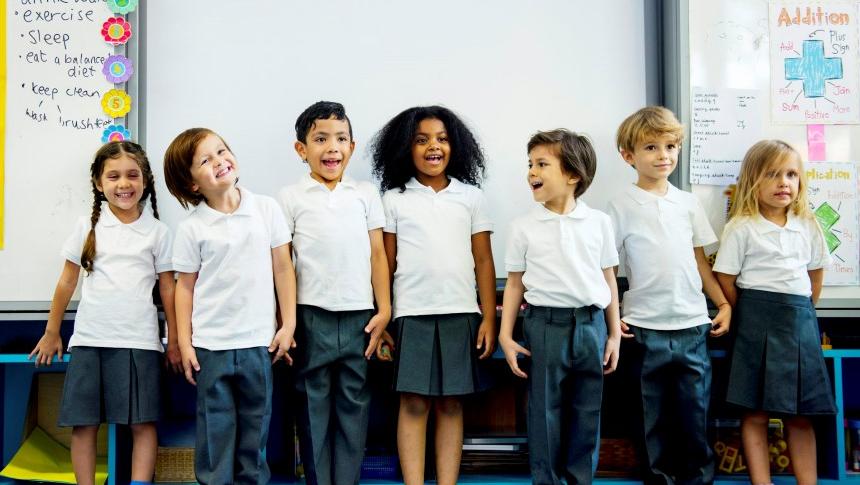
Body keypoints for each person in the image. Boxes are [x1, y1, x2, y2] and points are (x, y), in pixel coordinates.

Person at [30, 141, 177, 485]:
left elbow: (169, 289)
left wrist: (173, 339)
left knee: (143, 423)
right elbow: (67, 281)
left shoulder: (158, 232)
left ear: (145, 180)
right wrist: (52, 332)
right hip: (90, 340)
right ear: (98, 183)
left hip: (140, 342)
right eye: (113, 176)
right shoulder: (87, 227)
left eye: (132, 175)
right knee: (84, 423)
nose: (123, 184)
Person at [163, 127, 297, 485]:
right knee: (216, 427)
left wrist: (288, 325)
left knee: (256, 427)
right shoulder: (192, 228)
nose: (220, 161)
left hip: (258, 343)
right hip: (212, 346)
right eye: (205, 161)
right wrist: (186, 343)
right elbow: (184, 288)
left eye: (221, 151)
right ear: (192, 184)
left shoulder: (265, 208)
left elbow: (283, 268)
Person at [371, 105, 496, 485]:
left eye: (442, 139)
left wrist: (488, 318)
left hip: (460, 312)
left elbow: (484, 261)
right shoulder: (393, 198)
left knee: (452, 403)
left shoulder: (471, 198)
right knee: (412, 402)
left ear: (455, 146)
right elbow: (385, 263)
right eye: (421, 140)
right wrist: (384, 319)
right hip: (410, 314)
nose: (433, 147)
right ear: (404, 148)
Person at [607, 106, 731, 485]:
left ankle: (699, 479)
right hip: (643, 327)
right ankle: (658, 478)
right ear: (628, 156)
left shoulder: (688, 203)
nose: (664, 155)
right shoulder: (619, 205)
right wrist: (615, 317)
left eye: (671, 146)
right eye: (651, 147)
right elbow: (608, 269)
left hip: (693, 324)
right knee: (651, 415)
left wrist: (723, 303)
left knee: (695, 412)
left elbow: (700, 262)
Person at [277, 101, 391, 485]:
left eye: (340, 139)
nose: (332, 148)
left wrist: (384, 309)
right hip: (311, 316)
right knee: (312, 404)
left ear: (352, 147)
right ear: (301, 149)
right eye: (320, 139)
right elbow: (284, 264)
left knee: (354, 405)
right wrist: (287, 320)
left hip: (360, 316)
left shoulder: (365, 193)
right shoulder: (290, 198)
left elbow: (378, 254)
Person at [499, 128, 621, 485]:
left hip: (590, 325)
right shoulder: (523, 226)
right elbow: (515, 284)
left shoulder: (599, 222)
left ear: (572, 175)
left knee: (587, 412)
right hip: (544, 325)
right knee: (545, 413)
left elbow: (608, 279)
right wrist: (507, 335)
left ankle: (580, 480)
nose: (531, 173)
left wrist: (613, 333)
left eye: (541, 164)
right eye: (530, 164)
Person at [714, 139, 837, 485]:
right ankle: (761, 482)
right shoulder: (741, 226)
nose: (784, 182)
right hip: (755, 321)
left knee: (801, 413)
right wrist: (749, 312)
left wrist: (802, 309)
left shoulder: (807, 225)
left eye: (791, 174)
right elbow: (726, 276)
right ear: (753, 180)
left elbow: (816, 272)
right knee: (755, 412)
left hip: (799, 322)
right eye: (772, 174)